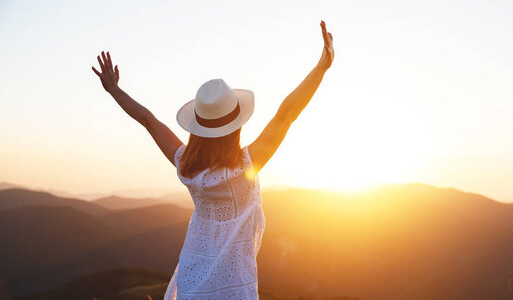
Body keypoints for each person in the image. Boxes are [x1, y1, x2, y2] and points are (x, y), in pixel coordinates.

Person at [91, 20, 334, 299]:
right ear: (236, 127)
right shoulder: (245, 167)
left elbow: (148, 120)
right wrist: (321, 68)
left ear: (198, 127)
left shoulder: (185, 164)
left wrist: (114, 90)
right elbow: (287, 113)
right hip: (233, 290)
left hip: (192, 282)